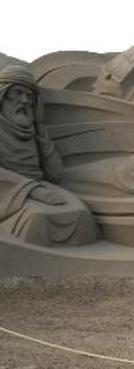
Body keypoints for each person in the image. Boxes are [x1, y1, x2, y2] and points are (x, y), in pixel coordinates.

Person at [0, 65, 99, 246]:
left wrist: (40, 129)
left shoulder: (31, 128)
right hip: (8, 193)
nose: (24, 101)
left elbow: (55, 174)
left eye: (29, 96)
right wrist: (32, 190)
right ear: (3, 95)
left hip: (38, 186)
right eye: (17, 93)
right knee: (39, 218)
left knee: (80, 214)